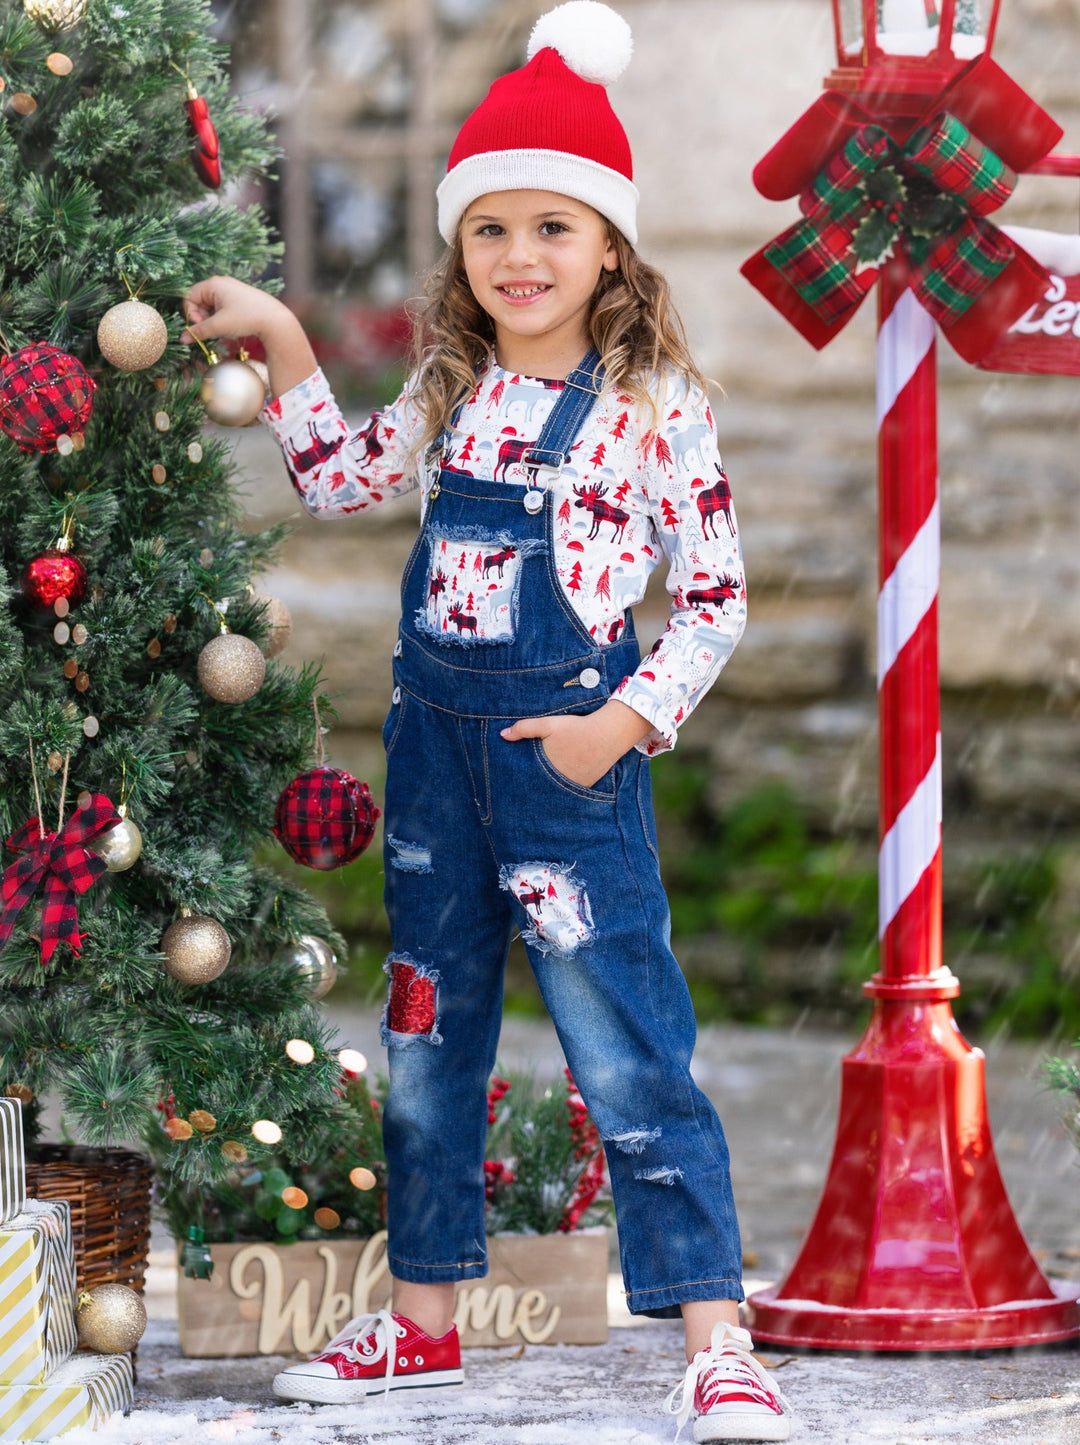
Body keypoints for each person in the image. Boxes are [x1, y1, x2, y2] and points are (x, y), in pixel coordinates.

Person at [183, 4, 792, 1439]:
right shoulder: (450, 387)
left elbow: (714, 598)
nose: (520, 256)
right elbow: (339, 481)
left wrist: (620, 726)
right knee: (427, 1033)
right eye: (490, 229)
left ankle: (717, 1337)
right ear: (459, 247)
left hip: (566, 767)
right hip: (434, 766)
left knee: (629, 1045)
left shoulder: (654, 407)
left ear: (611, 247)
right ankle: (423, 1321)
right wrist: (286, 341)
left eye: (553, 228)